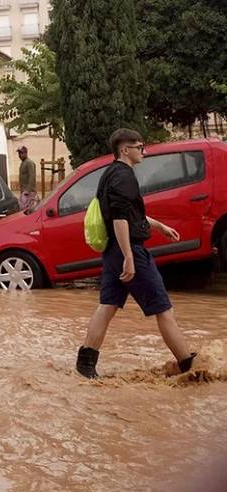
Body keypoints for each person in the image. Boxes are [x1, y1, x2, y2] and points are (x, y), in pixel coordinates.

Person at [76, 128, 197, 379]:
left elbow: (130, 213)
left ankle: (85, 365)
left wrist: (160, 226)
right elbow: (120, 218)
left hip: (112, 251)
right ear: (125, 149)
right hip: (127, 250)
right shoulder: (124, 176)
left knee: (107, 306)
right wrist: (129, 256)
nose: (144, 151)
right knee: (163, 309)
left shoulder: (109, 173)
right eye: (140, 147)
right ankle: (190, 366)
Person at [16, 146, 39, 211]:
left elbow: (32, 176)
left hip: (29, 193)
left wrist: (28, 191)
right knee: (24, 211)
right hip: (24, 192)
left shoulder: (29, 163)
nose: (20, 155)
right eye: (19, 153)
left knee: (28, 211)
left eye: (21, 153)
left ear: (26, 153)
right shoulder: (23, 163)